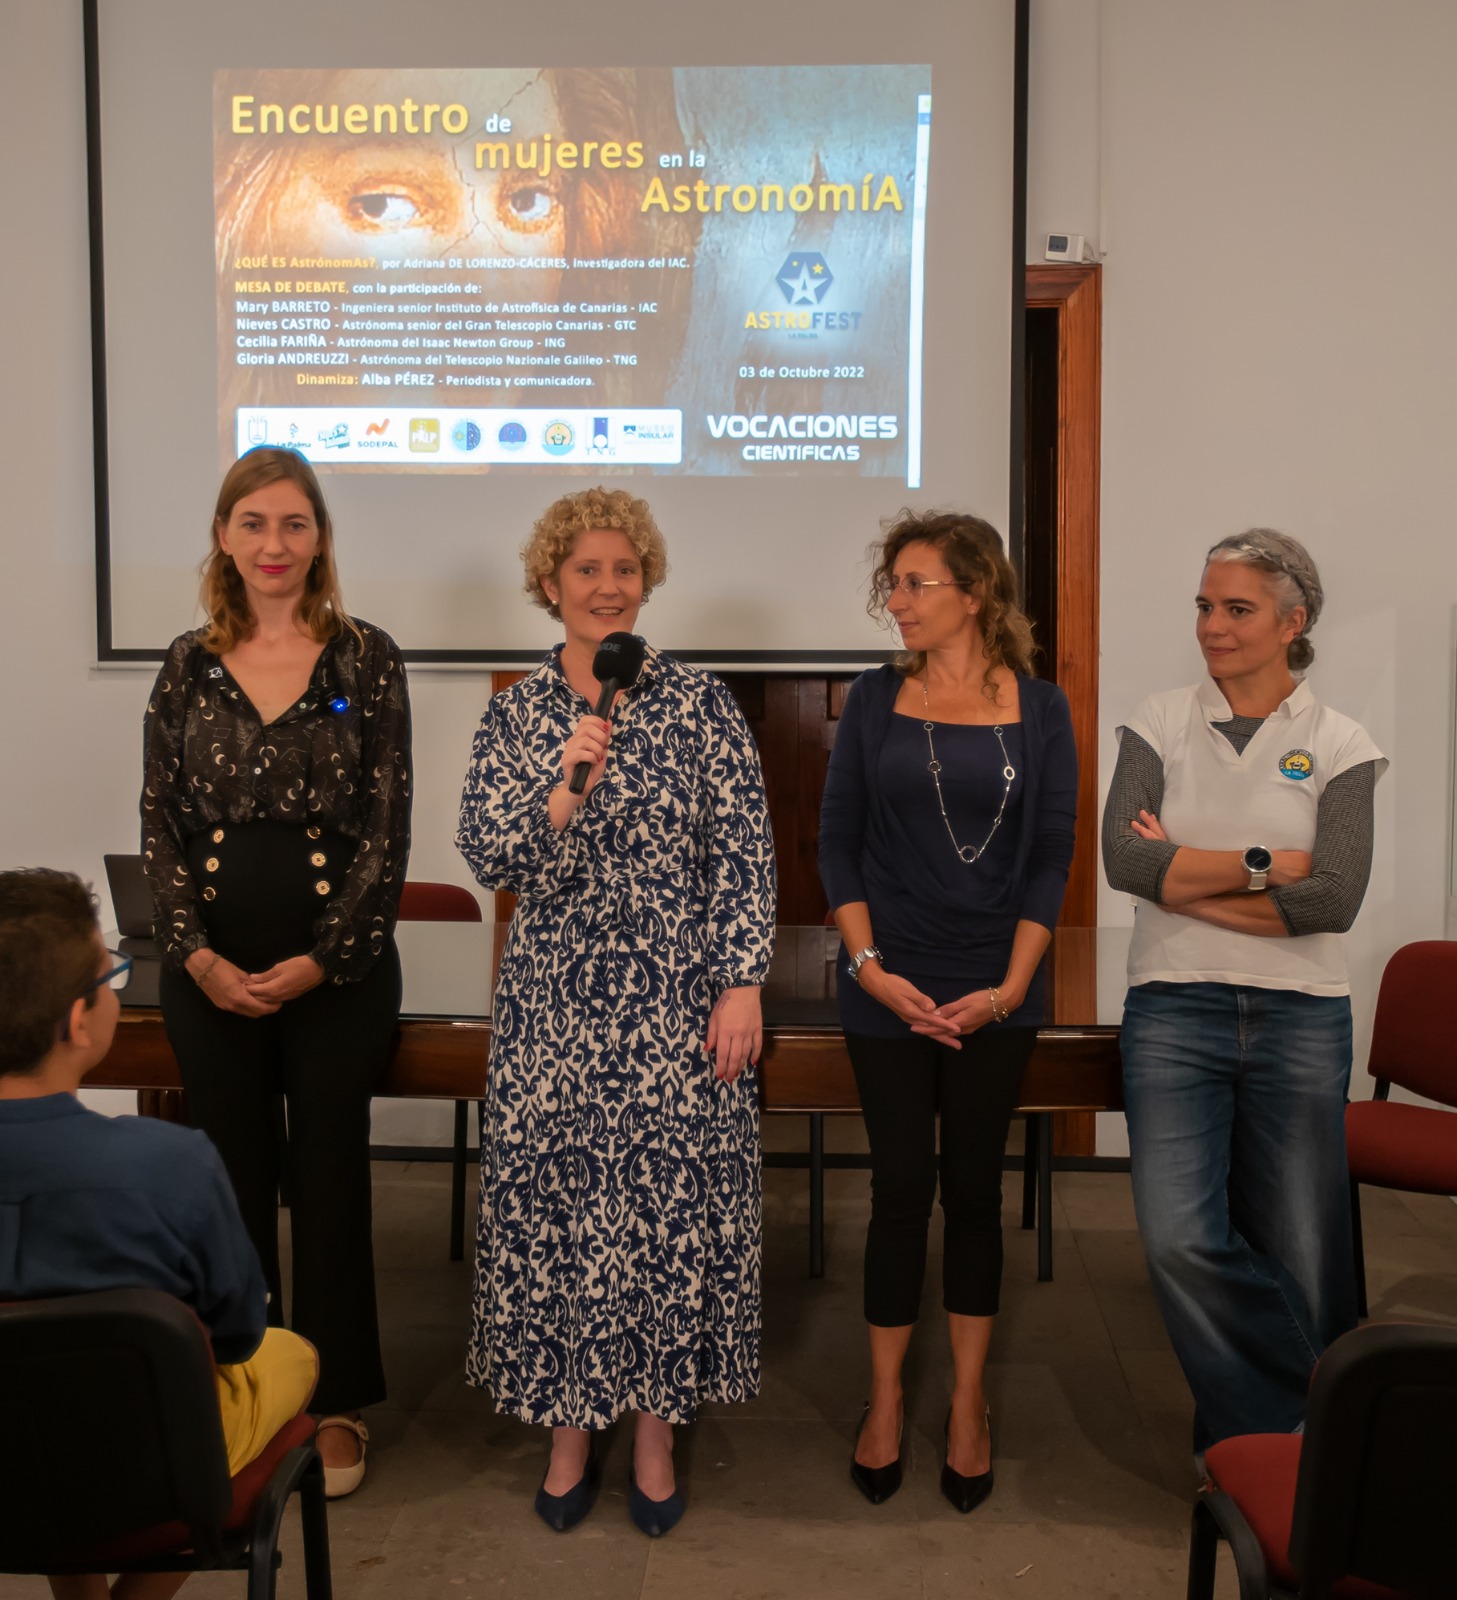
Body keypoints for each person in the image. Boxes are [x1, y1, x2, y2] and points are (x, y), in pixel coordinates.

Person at [456, 486, 775, 1537]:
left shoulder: (699, 705)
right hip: (553, 1008)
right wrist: (564, 787)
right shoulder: (515, 712)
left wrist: (740, 980)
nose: (607, 587)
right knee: (560, 1217)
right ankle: (564, 1431)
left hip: (676, 1001)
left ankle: (650, 1429)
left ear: (646, 584)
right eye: (585, 569)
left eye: (624, 569)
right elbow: (491, 853)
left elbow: (741, 853)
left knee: (658, 1220)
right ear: (549, 585)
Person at [141, 446, 411, 1497]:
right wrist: (197, 956)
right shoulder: (183, 663)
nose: (273, 544)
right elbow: (157, 821)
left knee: (334, 1179)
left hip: (336, 972)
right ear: (223, 536)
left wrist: (317, 961)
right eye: (252, 522)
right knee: (231, 1179)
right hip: (208, 970)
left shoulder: (364, 657)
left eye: (294, 523)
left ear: (319, 539)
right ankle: (249, 1385)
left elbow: (387, 828)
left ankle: (335, 1399)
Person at [1102, 528, 1385, 1457]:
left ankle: (1259, 1457)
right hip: (1172, 1010)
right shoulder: (1155, 722)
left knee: (1303, 1251)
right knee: (1180, 1241)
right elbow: (1123, 861)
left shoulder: (1341, 745)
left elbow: (1333, 899)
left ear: (1291, 621)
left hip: (1301, 1016)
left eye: (1236, 609)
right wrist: (1270, 869)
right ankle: (1313, 1434)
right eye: (1202, 606)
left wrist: (1185, 880)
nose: (1211, 627)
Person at [818, 510, 1078, 1512]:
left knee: (971, 1192)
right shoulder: (874, 699)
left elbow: (1048, 853)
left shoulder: (1040, 706)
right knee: (895, 1189)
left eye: (915, 582)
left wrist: (1009, 989)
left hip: (993, 988)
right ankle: (883, 1402)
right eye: (891, 582)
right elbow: (836, 843)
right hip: (886, 985)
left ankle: (965, 1404)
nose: (895, 599)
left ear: (973, 593)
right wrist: (870, 966)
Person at [0, 868, 318, 1600]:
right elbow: (236, 1334)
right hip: (145, 1474)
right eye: (111, 974)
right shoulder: (170, 1165)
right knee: (291, 1354)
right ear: (80, 1022)